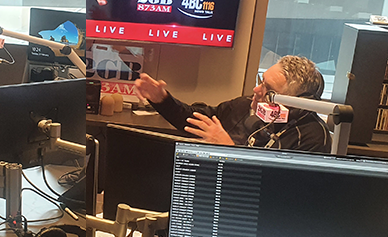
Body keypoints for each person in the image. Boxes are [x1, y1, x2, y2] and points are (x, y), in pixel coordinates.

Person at [135, 55, 332, 153]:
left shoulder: (313, 138)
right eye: (261, 81)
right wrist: (161, 100)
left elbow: (280, 194)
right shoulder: (244, 106)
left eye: (269, 90)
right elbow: (195, 120)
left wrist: (228, 149)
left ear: (295, 103)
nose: (256, 90)